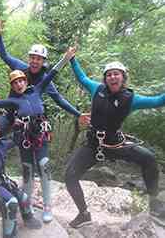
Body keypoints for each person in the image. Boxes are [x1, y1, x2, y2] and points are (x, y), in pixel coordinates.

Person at [0, 49, 78, 223]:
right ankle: (27, 203)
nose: (18, 84)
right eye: (15, 83)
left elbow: (52, 73)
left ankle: (47, 207)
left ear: (25, 81)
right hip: (24, 137)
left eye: (21, 81)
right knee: (28, 169)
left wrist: (65, 59)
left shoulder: (37, 90)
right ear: (13, 86)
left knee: (44, 167)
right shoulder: (14, 101)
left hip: (40, 134)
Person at [65, 48, 165, 228]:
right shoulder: (97, 89)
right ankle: (83, 214)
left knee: (148, 158)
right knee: (70, 176)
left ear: (123, 77)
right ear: (105, 78)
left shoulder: (132, 99)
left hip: (116, 144)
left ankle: (154, 203)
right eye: (109, 74)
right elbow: (82, 78)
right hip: (94, 144)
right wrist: (72, 59)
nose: (112, 77)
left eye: (116, 74)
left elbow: (158, 100)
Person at [0, 17, 83, 135]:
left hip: (29, 120)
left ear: (43, 61)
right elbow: (4, 55)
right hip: (9, 114)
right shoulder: (20, 67)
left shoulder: (44, 80)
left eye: (38, 59)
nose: (35, 61)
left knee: (27, 142)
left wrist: (78, 114)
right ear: (28, 58)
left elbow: (59, 100)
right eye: (32, 58)